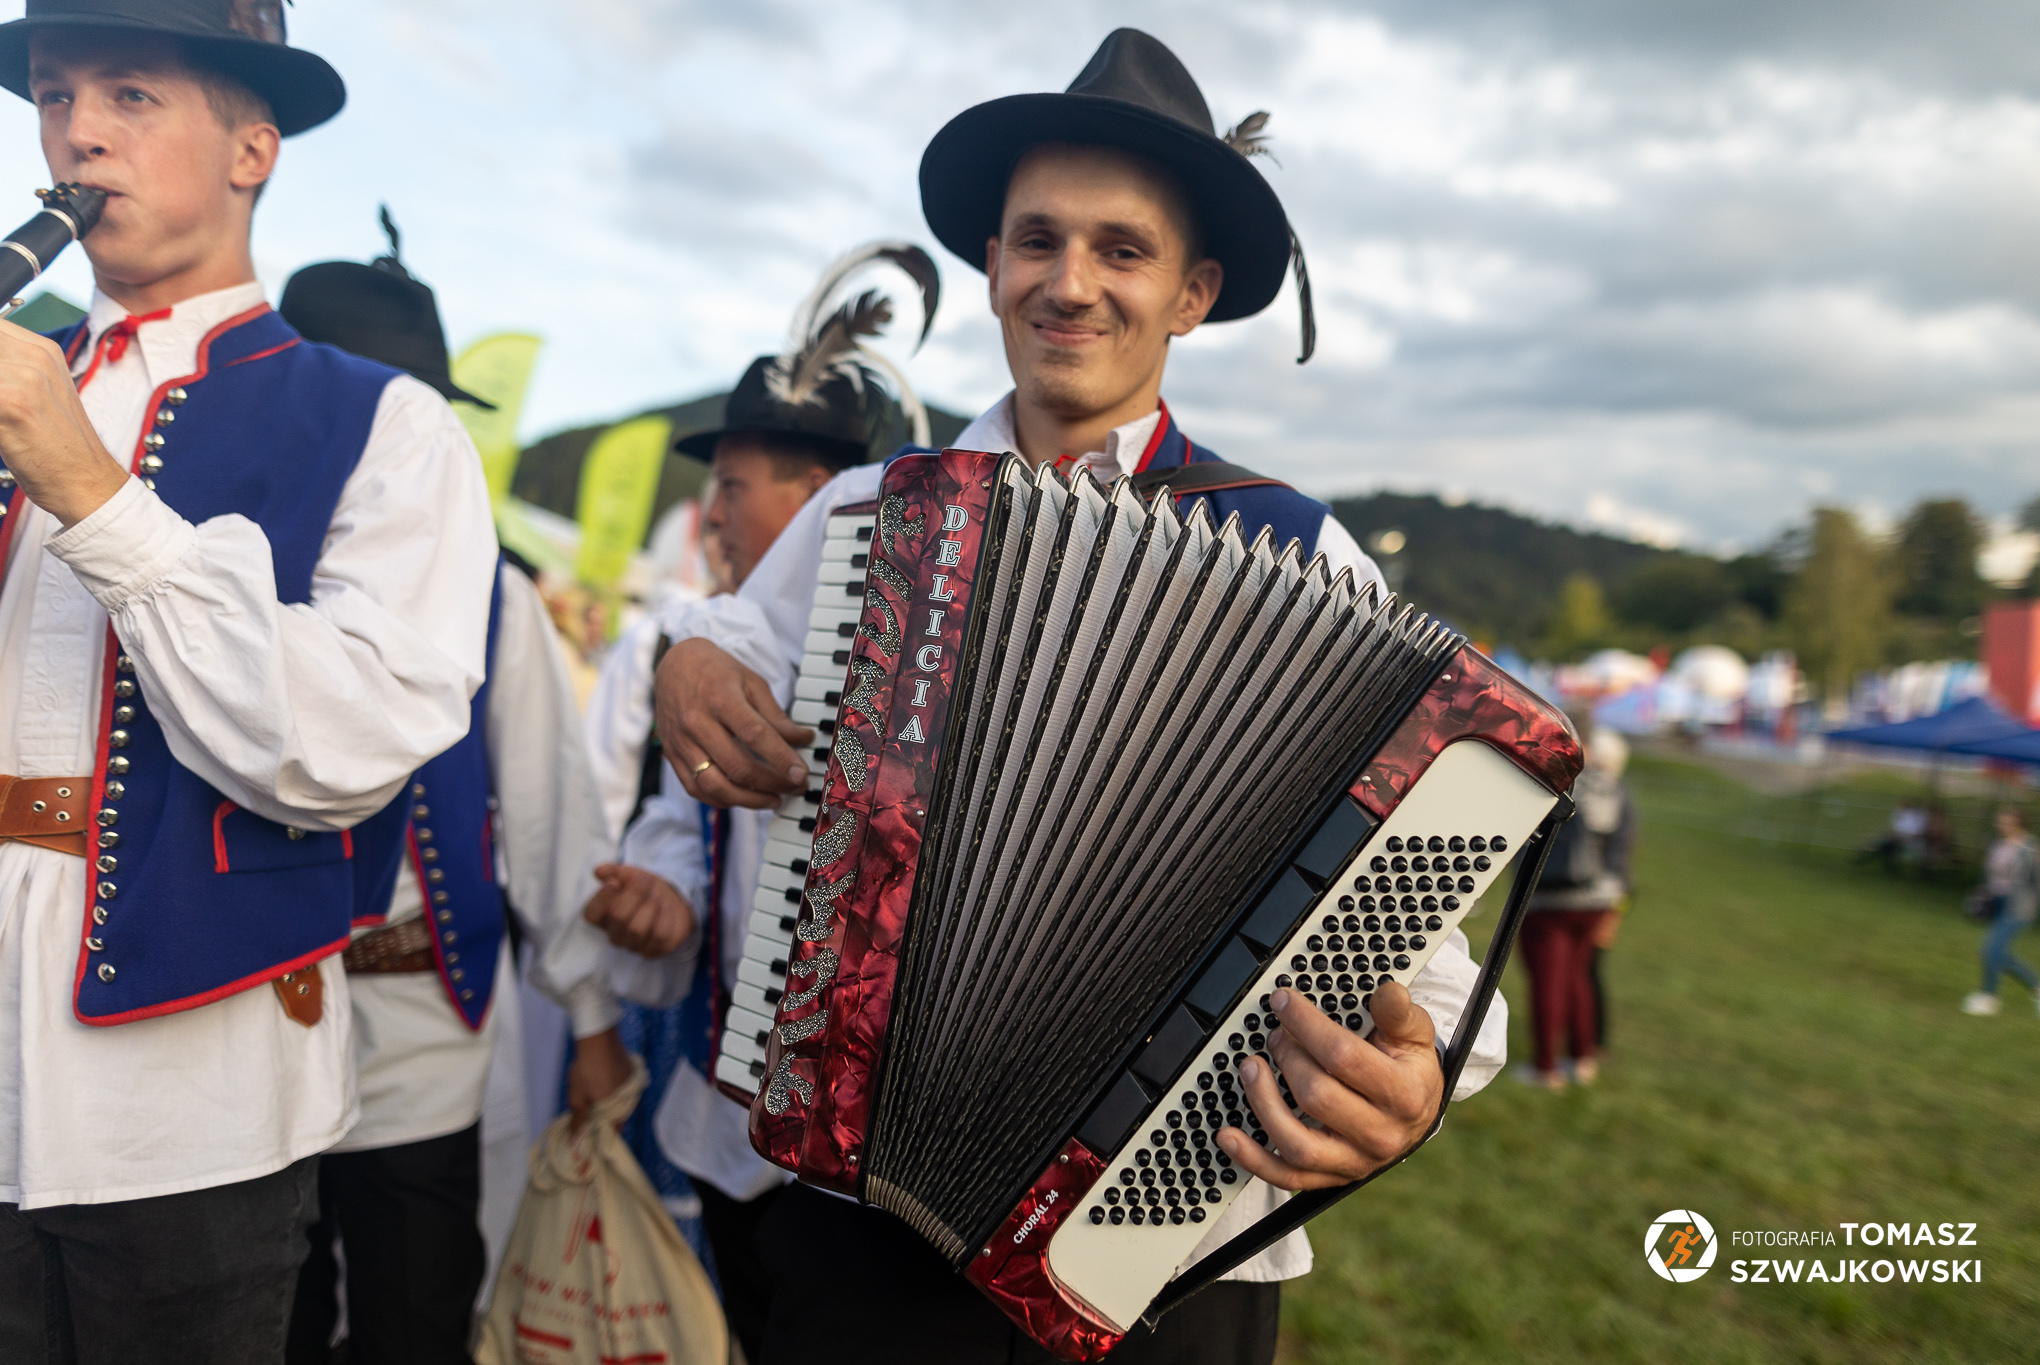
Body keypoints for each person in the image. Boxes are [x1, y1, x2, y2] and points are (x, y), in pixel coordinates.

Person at [633, 30, 1508, 1364]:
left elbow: (1420, 951)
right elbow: (724, 642)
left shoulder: (1300, 554)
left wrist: (1417, 1075)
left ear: (1192, 294)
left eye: (1122, 249)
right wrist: (684, 660)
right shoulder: (866, 512)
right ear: (992, 264)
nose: (1070, 281)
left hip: (1160, 1236)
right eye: (1037, 239)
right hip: (861, 1205)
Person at [0, 5, 499, 1361]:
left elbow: (348, 743)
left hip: (188, 1102)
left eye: (129, 94)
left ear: (251, 150)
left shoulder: (390, 424)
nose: (77, 133)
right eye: (53, 95)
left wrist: (91, 489)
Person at [274, 222, 635, 1364]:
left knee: (417, 1318)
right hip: (235, 1025)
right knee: (255, 1324)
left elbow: (548, 809)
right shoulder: (211, 565)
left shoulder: (494, 595)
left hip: (420, 1032)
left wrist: (589, 1017)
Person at [581, 243, 936, 1364]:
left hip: (889, 1154)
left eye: (732, 487)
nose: (713, 517)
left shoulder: (924, 647)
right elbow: (680, 829)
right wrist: (664, 899)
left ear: (822, 495)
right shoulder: (700, 645)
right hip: (730, 1123)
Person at [1516, 725, 1635, 1089]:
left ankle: (1545, 1067)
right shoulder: (1613, 788)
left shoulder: (1552, 781)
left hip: (1550, 898)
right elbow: (1623, 847)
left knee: (1548, 982)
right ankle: (1582, 1059)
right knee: (1579, 977)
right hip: (1599, 898)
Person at [1960, 806, 2040, 1017]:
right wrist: (1980, 893)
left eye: (2006, 822)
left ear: (2019, 824)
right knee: (1997, 953)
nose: (2000, 826)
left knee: (1991, 950)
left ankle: (1989, 998)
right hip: (1996, 904)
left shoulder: (2030, 848)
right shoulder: (1997, 844)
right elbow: (1990, 874)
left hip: (2019, 907)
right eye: (1999, 822)